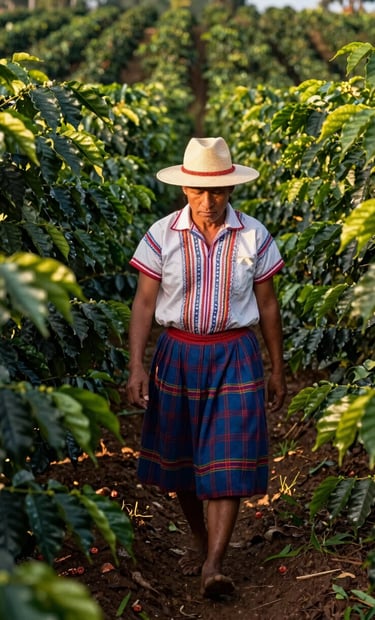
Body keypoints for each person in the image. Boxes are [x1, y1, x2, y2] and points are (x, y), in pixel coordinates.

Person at [126, 136, 287, 599]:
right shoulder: (161, 235)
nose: (208, 201)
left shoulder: (254, 236)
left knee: (228, 458)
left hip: (235, 353)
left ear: (231, 191)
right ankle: (201, 542)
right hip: (177, 353)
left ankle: (215, 564)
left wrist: (277, 368)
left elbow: (269, 306)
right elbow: (143, 302)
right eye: (198, 191)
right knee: (183, 463)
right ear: (184, 190)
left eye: (217, 192)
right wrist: (137, 364)